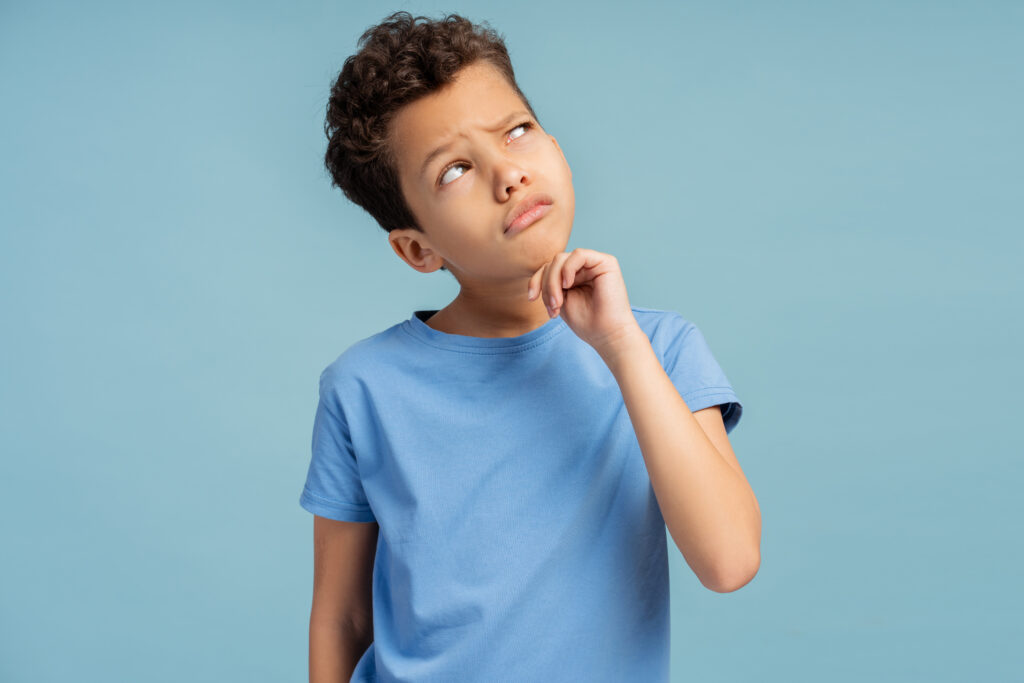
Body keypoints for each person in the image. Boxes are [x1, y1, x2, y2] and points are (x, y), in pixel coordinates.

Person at [299, 10, 761, 682]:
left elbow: (729, 560)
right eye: (455, 170)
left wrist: (621, 346)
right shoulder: (362, 387)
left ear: (553, 142)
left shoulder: (659, 349)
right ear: (417, 248)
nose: (507, 174)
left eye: (516, 131)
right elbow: (341, 617)